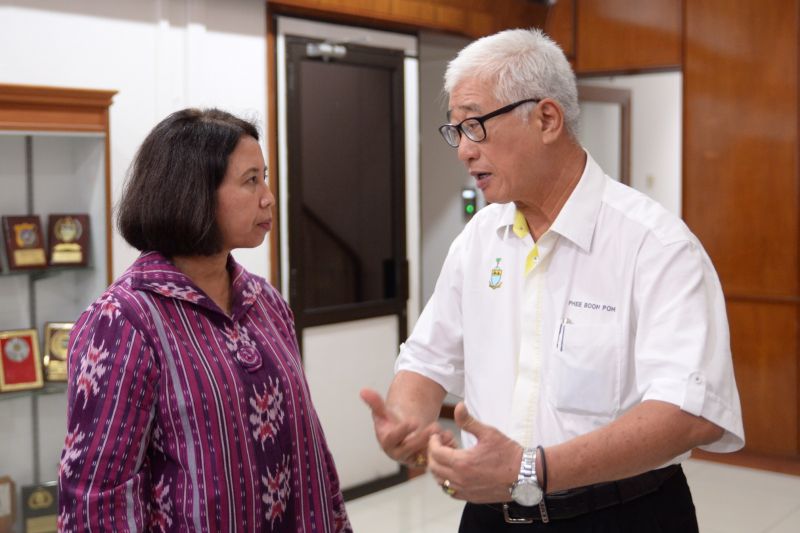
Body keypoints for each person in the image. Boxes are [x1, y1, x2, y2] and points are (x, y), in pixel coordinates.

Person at [361, 28, 744, 532]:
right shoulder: (479, 240)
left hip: (622, 514)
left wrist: (532, 469)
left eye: (475, 125)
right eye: (455, 130)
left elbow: (691, 412)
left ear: (546, 118)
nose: (463, 150)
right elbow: (428, 359)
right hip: (491, 513)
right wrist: (409, 420)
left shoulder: (655, 245)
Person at [58, 108, 351, 532]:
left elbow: (309, 448)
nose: (268, 196)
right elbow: (98, 496)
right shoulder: (124, 320)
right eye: (251, 180)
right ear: (192, 192)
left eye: (264, 177)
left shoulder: (265, 301)